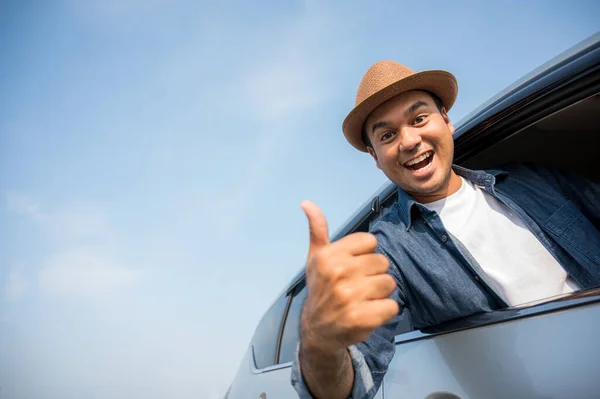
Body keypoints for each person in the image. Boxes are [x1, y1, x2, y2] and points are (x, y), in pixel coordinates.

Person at [290, 60, 600, 399]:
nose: (409, 140)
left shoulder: (532, 180)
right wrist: (318, 340)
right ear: (375, 156)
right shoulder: (385, 250)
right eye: (387, 135)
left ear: (446, 120)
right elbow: (348, 384)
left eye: (419, 118)